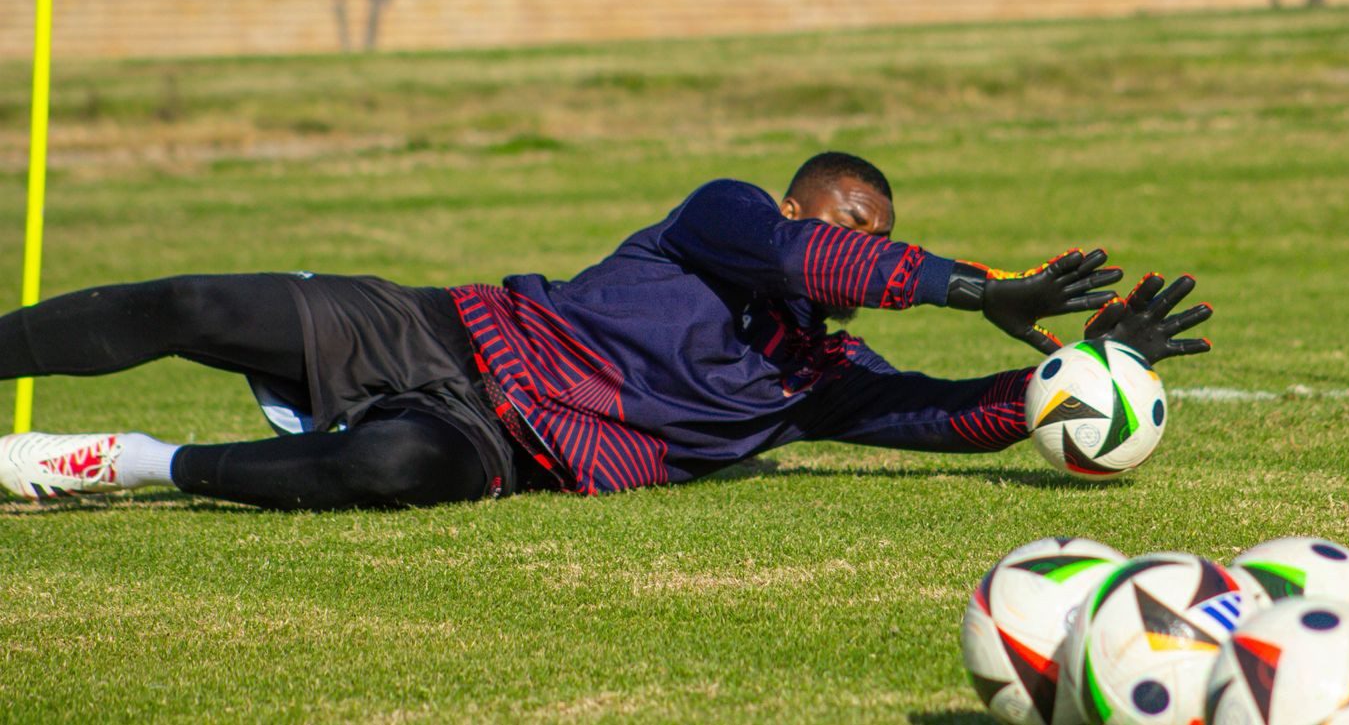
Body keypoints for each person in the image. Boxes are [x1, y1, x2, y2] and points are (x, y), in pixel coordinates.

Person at [0, 152, 1211, 510]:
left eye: (883, 233)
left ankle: (122, 464)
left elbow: (946, 416)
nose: (859, 246)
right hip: (445, 333)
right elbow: (813, 257)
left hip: (512, 449)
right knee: (196, 306)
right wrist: (970, 283)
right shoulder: (726, 218)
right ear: (796, 208)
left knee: (393, 469)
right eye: (852, 220)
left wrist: (1091, 371)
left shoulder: (815, 379)